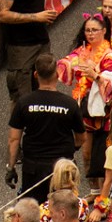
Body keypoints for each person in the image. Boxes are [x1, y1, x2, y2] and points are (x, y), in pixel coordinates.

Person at [9, 54, 87, 203]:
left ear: (35, 75)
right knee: (62, 206)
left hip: (33, 168)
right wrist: (71, 149)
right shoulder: (69, 104)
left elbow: (14, 139)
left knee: (32, 209)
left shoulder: (24, 103)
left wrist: (11, 167)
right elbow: (82, 137)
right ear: (57, 74)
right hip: (62, 168)